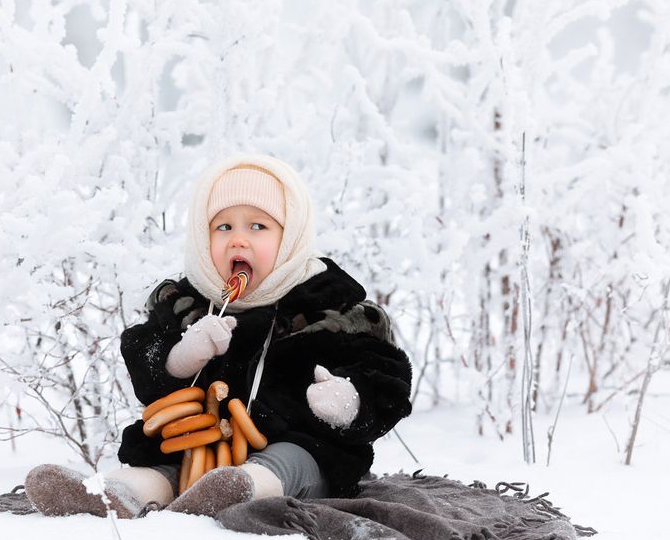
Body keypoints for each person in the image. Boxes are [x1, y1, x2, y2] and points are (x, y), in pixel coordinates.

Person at [24, 153, 412, 518]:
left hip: (300, 451)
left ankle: (245, 488)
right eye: (223, 226)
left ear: (291, 235)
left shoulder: (327, 307)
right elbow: (145, 364)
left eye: (257, 226)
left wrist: (349, 398)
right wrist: (179, 357)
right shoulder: (188, 304)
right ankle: (118, 493)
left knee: (293, 455)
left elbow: (383, 375)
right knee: (164, 459)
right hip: (197, 443)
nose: (238, 240)